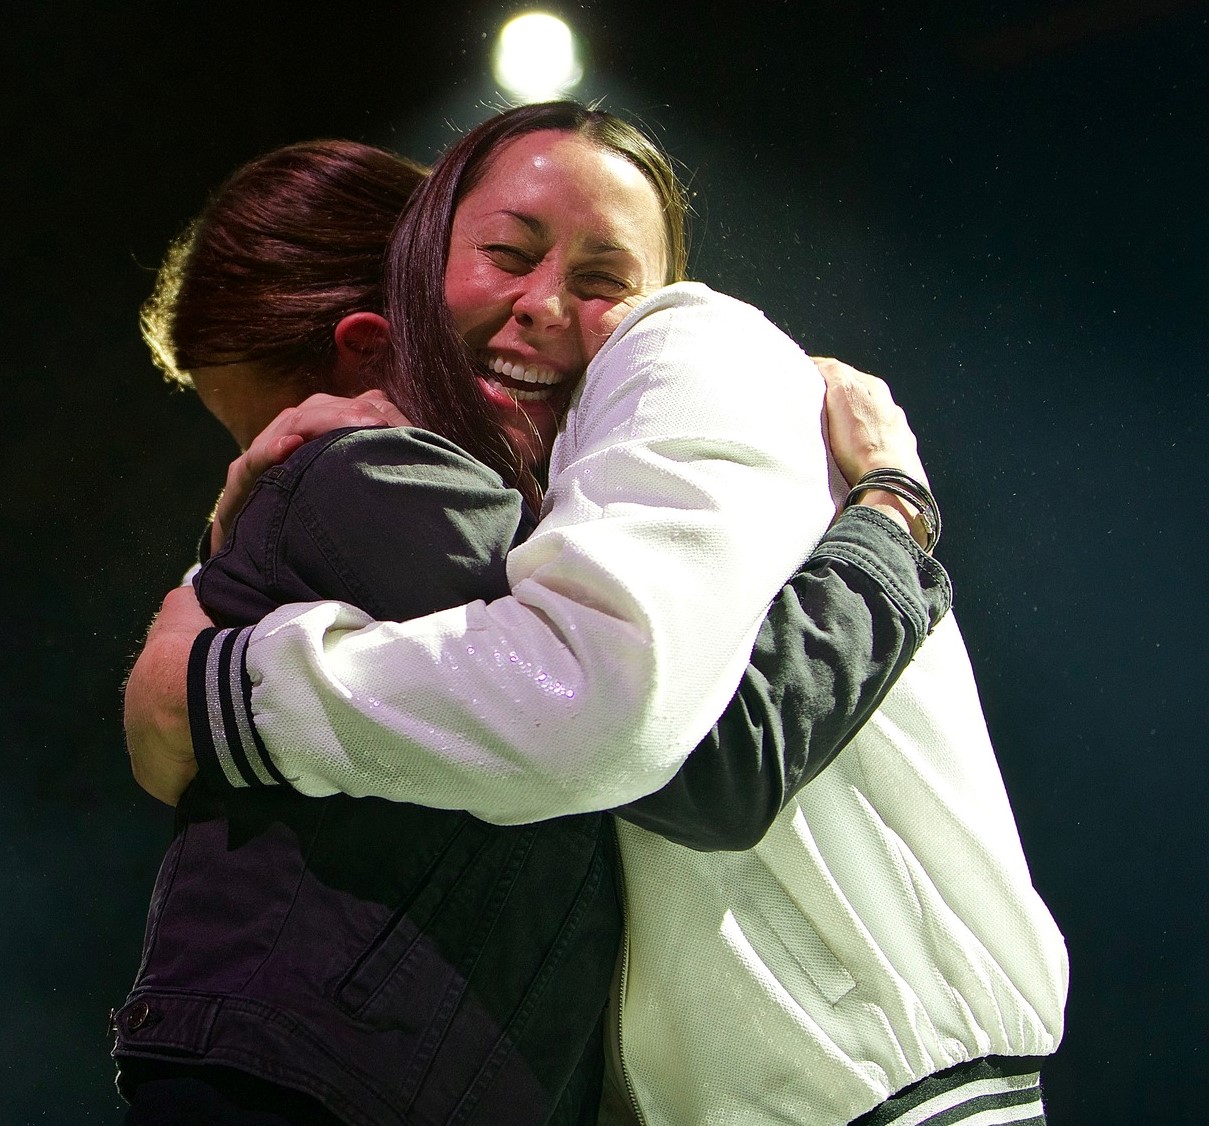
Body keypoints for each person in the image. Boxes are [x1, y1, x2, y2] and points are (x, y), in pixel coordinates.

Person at [123, 103, 1066, 1124]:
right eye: (505, 254)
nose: (290, 465)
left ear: (365, 342)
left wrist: (224, 693)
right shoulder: (537, 494)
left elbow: (677, 748)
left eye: (606, 278)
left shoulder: (681, 371)